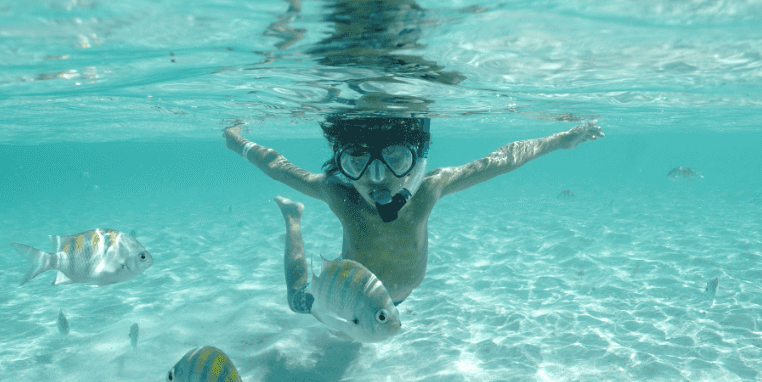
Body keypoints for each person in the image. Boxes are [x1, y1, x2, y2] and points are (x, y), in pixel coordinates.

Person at [224, 115, 603, 313]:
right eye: (356, 161)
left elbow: (500, 161)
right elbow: (278, 165)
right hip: (351, 296)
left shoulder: (429, 188)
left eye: (394, 159)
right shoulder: (339, 193)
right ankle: (292, 219)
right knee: (297, 304)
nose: (376, 178)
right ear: (341, 164)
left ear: (416, 162)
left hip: (388, 302)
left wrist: (561, 141)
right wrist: (236, 141)